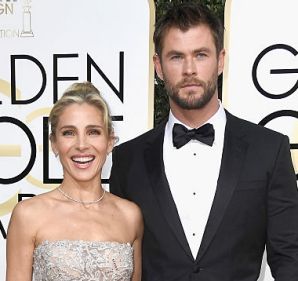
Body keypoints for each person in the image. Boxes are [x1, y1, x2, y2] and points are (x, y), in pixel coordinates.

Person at [109, 3, 298, 281]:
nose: (189, 69)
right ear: (158, 66)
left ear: (220, 60)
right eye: (176, 57)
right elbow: (121, 261)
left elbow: (290, 257)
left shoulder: (269, 150)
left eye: (200, 55)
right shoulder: (128, 159)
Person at [6, 82, 143, 281]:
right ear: (54, 143)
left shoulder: (130, 216)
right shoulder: (28, 215)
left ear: (110, 141)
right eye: (69, 133)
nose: (81, 145)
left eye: (93, 132)